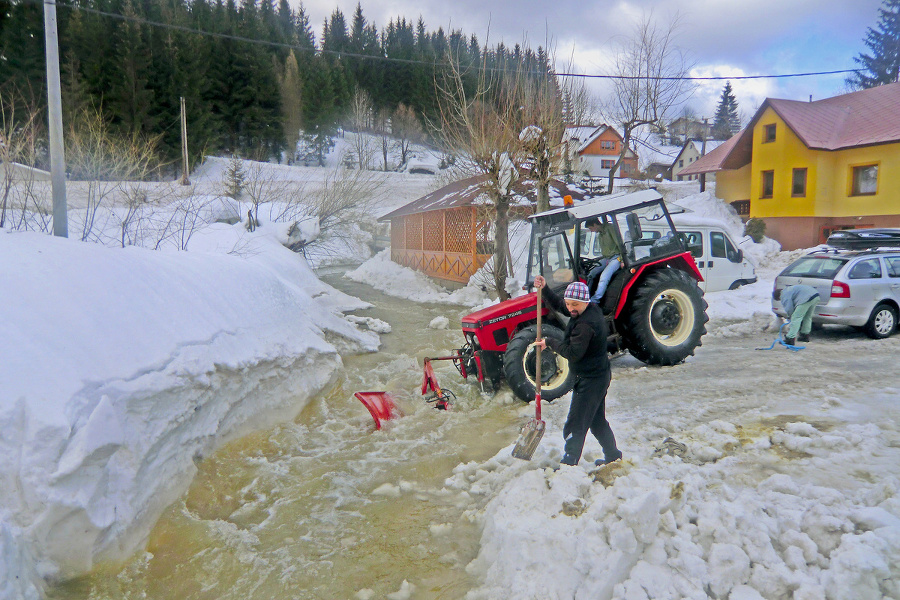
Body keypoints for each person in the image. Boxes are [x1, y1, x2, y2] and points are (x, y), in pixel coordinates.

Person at [533, 276, 622, 467]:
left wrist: (549, 342)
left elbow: (573, 353)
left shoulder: (585, 326)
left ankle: (569, 462)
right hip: (598, 375)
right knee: (596, 421)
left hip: (591, 380)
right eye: (569, 303)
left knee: (576, 422)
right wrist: (546, 288)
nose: (571, 308)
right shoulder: (585, 309)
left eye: (575, 305)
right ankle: (613, 456)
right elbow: (560, 305)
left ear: (585, 302)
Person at [584, 217, 623, 304]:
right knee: (591, 273)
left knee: (604, 277)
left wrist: (622, 259)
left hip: (616, 258)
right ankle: (585, 296)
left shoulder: (610, 228)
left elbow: (620, 244)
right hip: (606, 258)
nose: (591, 231)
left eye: (591, 228)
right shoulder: (600, 234)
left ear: (595, 224)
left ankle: (595, 300)